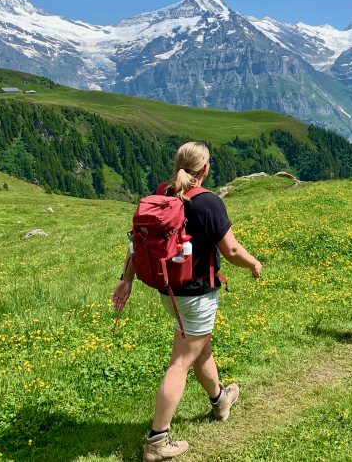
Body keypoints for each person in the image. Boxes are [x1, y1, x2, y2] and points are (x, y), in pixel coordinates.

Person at [111, 141, 263, 462]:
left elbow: (136, 242)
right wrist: (254, 263)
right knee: (180, 362)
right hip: (197, 297)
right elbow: (232, 251)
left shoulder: (162, 194)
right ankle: (157, 440)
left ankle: (220, 399)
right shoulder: (208, 203)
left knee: (199, 347)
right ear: (205, 167)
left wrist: (127, 279)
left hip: (170, 294)